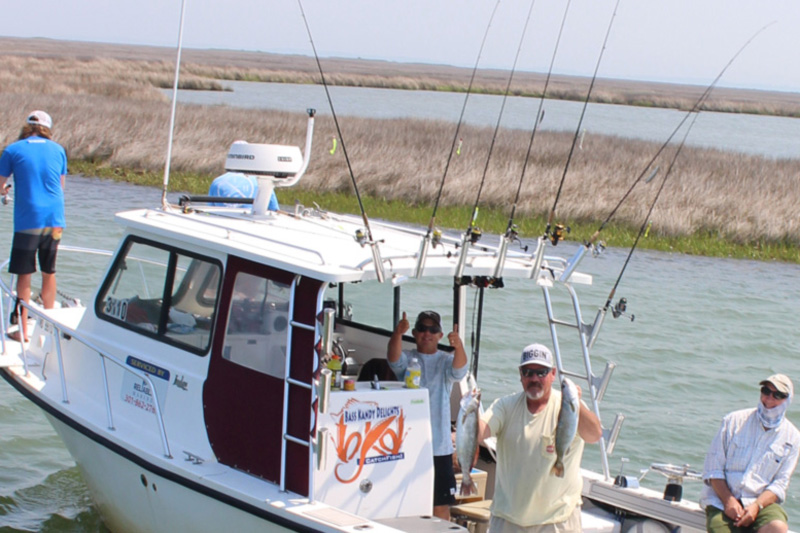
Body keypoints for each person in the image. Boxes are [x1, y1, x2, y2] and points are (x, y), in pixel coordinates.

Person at [477, 343, 602, 533]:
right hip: (507, 520)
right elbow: (480, 432)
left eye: (541, 372)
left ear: (552, 374)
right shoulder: (504, 406)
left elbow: (594, 436)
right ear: (520, 375)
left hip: (557, 521)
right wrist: (465, 422)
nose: (534, 378)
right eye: (528, 372)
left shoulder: (570, 407)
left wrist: (577, 404)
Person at [387, 310, 467, 520]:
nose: (427, 333)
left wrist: (458, 346)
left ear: (440, 335)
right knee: (409, 502)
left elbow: (460, 371)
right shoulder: (408, 358)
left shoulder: (445, 361)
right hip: (409, 445)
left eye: (433, 329)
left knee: (440, 506)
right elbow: (393, 359)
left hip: (439, 447)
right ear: (414, 333)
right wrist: (397, 333)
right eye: (422, 328)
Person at [700, 374, 800, 533]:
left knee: (778, 527)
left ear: (788, 400)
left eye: (778, 395)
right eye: (766, 391)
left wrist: (756, 506)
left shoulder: (793, 438)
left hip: (760, 503)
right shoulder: (733, 421)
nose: (769, 398)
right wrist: (729, 501)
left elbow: (780, 484)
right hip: (721, 501)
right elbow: (713, 469)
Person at [0, 110, 67, 343]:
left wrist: (5, 190)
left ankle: (23, 331)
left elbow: (0, 185)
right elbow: (60, 185)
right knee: (49, 272)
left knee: (24, 275)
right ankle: (48, 325)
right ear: (47, 129)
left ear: (26, 127)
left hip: (29, 220)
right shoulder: (59, 150)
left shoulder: (12, 150)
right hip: (55, 220)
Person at [208, 171, 278, 210]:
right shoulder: (263, 182)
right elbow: (274, 210)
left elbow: (210, 210)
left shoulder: (217, 181)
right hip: (251, 223)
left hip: (222, 224)